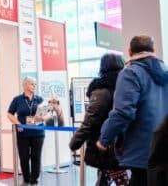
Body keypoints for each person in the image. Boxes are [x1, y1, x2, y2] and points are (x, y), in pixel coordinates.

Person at [96, 35, 168, 186]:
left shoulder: (131, 73)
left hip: (141, 149)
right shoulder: (166, 72)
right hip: (163, 146)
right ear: (153, 50)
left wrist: (104, 139)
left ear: (129, 51)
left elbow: (123, 112)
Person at [69, 53, 129, 185]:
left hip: (106, 145)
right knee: (106, 176)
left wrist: (75, 142)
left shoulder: (101, 89)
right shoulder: (128, 85)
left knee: (116, 176)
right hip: (125, 142)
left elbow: (91, 120)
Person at [7, 77, 45, 186]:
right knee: (23, 157)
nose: (34, 86)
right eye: (32, 84)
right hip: (23, 132)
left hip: (38, 132)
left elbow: (46, 113)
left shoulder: (39, 99)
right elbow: (9, 114)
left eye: (35, 84)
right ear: (25, 85)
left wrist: (43, 118)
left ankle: (34, 180)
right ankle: (26, 178)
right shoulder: (17, 99)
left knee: (36, 156)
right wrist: (17, 123)